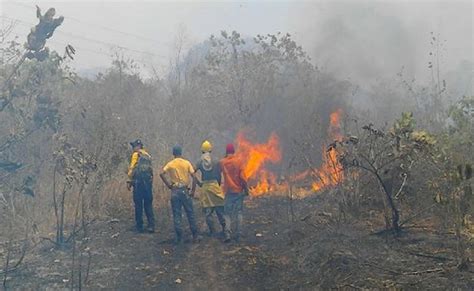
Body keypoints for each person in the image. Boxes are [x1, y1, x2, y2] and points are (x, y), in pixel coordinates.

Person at [160, 145, 200, 244]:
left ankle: (179, 238)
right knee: (190, 213)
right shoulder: (186, 163)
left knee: (177, 214)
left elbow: (161, 173)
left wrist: (169, 185)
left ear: (173, 153)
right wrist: (193, 191)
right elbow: (194, 177)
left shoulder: (170, 164)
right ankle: (195, 236)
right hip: (185, 191)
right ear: (181, 153)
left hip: (175, 191)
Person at [193, 140, 226, 237]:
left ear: (202, 151)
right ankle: (225, 229)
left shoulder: (199, 161)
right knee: (220, 209)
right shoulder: (216, 160)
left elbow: (192, 172)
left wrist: (199, 183)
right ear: (210, 150)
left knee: (208, 211)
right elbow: (219, 174)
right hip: (215, 186)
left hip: (205, 187)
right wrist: (218, 185)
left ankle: (212, 231)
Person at [220, 143, 249, 243]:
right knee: (239, 213)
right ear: (234, 151)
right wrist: (246, 190)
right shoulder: (239, 162)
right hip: (238, 192)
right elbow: (243, 178)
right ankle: (239, 234)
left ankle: (227, 234)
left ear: (226, 152)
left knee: (227, 214)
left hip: (228, 192)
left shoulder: (222, 162)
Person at [127, 139, 155, 233]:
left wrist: (129, 180)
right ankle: (151, 225)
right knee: (148, 204)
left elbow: (131, 168)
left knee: (138, 204)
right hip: (147, 184)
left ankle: (139, 226)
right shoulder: (147, 155)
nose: (133, 148)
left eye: (134, 146)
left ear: (137, 146)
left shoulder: (136, 155)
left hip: (138, 184)